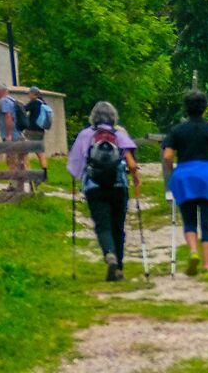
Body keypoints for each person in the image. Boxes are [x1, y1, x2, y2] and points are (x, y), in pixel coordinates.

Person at [65, 101, 140, 281]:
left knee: (102, 224)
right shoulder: (119, 134)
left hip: (94, 187)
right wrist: (136, 178)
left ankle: (109, 254)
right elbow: (131, 163)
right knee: (118, 227)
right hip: (118, 186)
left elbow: (74, 166)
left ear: (93, 117)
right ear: (114, 117)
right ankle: (119, 269)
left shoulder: (85, 135)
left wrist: (76, 180)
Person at [160, 90, 208, 275]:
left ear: (186, 108)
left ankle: (193, 251)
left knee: (189, 219)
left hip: (185, 177)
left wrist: (172, 171)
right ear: (205, 107)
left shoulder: (177, 130)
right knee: (207, 223)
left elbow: (167, 155)